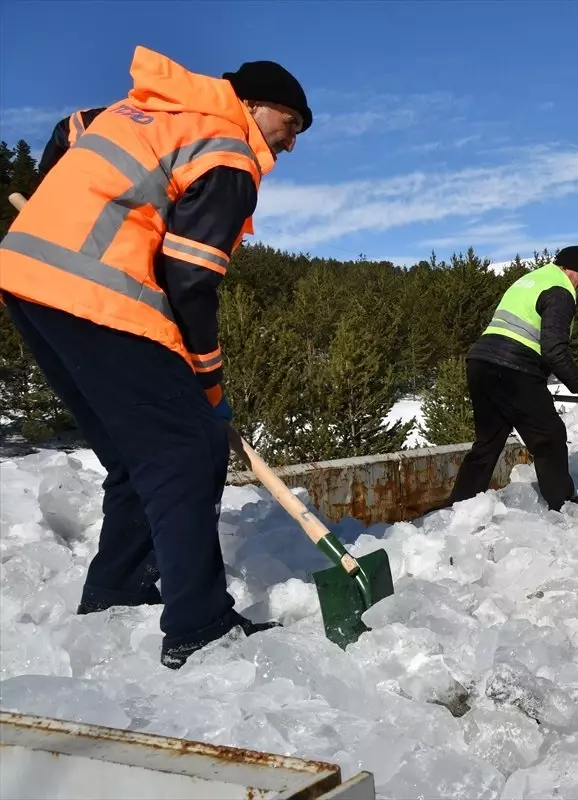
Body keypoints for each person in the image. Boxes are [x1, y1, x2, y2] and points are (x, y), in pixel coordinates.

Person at [0, 46, 312, 669]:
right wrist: (211, 387)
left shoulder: (142, 110)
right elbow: (192, 282)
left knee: (132, 458)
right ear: (255, 104)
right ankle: (199, 625)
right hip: (98, 296)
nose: (291, 145)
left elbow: (70, 129)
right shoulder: (227, 149)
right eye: (291, 126)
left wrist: (54, 203)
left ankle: (117, 593)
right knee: (187, 452)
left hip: (28, 279)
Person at [447, 246, 578, 512]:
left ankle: (458, 507)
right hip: (514, 369)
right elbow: (554, 350)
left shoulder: (529, 280)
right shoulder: (560, 290)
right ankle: (564, 507)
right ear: (570, 269)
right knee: (550, 437)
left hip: (481, 363)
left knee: (487, 443)